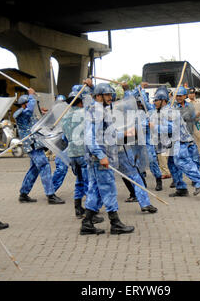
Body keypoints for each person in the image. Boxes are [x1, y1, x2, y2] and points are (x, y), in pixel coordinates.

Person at [80, 83, 135, 235]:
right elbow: (90, 137)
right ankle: (115, 223)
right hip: (100, 160)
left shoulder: (100, 110)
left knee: (95, 190)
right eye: (107, 95)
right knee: (109, 189)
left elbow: (107, 134)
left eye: (111, 95)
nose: (111, 98)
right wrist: (101, 155)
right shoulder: (96, 111)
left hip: (99, 158)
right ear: (99, 96)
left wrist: (123, 134)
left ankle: (87, 223)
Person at [151, 86, 200, 197]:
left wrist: (155, 127)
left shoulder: (170, 111)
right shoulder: (163, 111)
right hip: (173, 142)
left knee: (181, 161)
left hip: (181, 140)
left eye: (156, 100)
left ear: (163, 101)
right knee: (172, 164)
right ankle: (181, 188)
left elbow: (172, 128)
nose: (154, 102)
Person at [13, 89, 65, 204]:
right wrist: (31, 95)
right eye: (29, 103)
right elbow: (30, 108)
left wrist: (44, 115)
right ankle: (50, 195)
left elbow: (41, 124)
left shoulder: (30, 115)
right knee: (44, 166)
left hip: (36, 145)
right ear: (24, 104)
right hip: (32, 146)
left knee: (34, 169)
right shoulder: (21, 113)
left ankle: (23, 193)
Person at [61, 88, 103, 222]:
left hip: (72, 153)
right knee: (90, 183)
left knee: (79, 181)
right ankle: (91, 212)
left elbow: (64, 138)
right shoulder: (84, 113)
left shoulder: (65, 116)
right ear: (80, 102)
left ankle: (78, 208)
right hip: (83, 152)